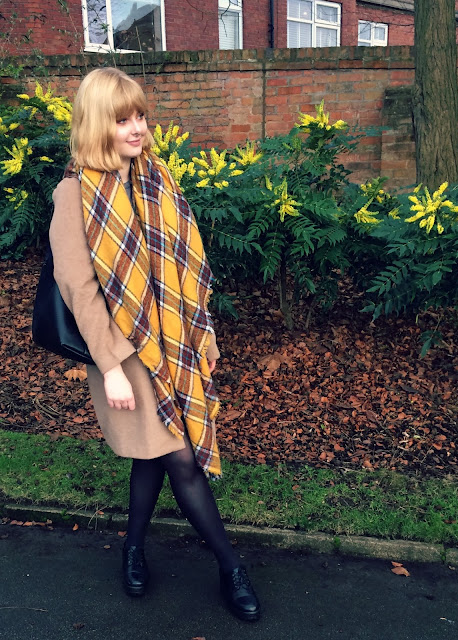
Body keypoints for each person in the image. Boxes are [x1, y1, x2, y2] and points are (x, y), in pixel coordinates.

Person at [49, 67, 261, 622]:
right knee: (181, 459)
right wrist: (111, 366)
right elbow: (78, 288)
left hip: (176, 343)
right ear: (98, 124)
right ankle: (231, 568)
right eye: (123, 119)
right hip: (126, 352)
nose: (138, 128)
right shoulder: (74, 193)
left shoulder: (157, 177)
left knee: (153, 458)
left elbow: (187, 261)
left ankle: (133, 548)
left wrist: (202, 333)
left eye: (140, 116)